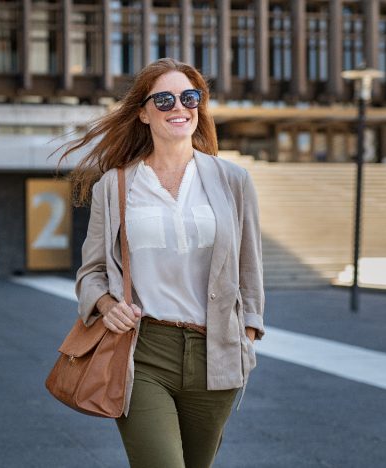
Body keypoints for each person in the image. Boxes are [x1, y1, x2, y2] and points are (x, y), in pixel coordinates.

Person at [60, 58, 265, 468]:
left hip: (216, 352)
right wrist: (105, 305)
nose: (180, 107)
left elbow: (250, 267)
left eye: (190, 97)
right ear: (143, 112)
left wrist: (247, 334)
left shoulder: (232, 180)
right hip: (144, 351)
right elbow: (91, 272)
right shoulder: (114, 186)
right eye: (165, 98)